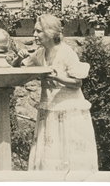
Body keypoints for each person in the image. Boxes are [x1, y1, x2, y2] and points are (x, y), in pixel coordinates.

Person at [12, 14, 98, 172]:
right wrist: (19, 58)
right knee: (49, 155)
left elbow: (78, 82)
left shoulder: (66, 52)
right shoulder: (40, 53)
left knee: (69, 154)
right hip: (49, 111)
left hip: (69, 112)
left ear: (50, 33)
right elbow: (17, 68)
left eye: (38, 31)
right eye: (34, 31)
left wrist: (57, 77)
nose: (34, 35)